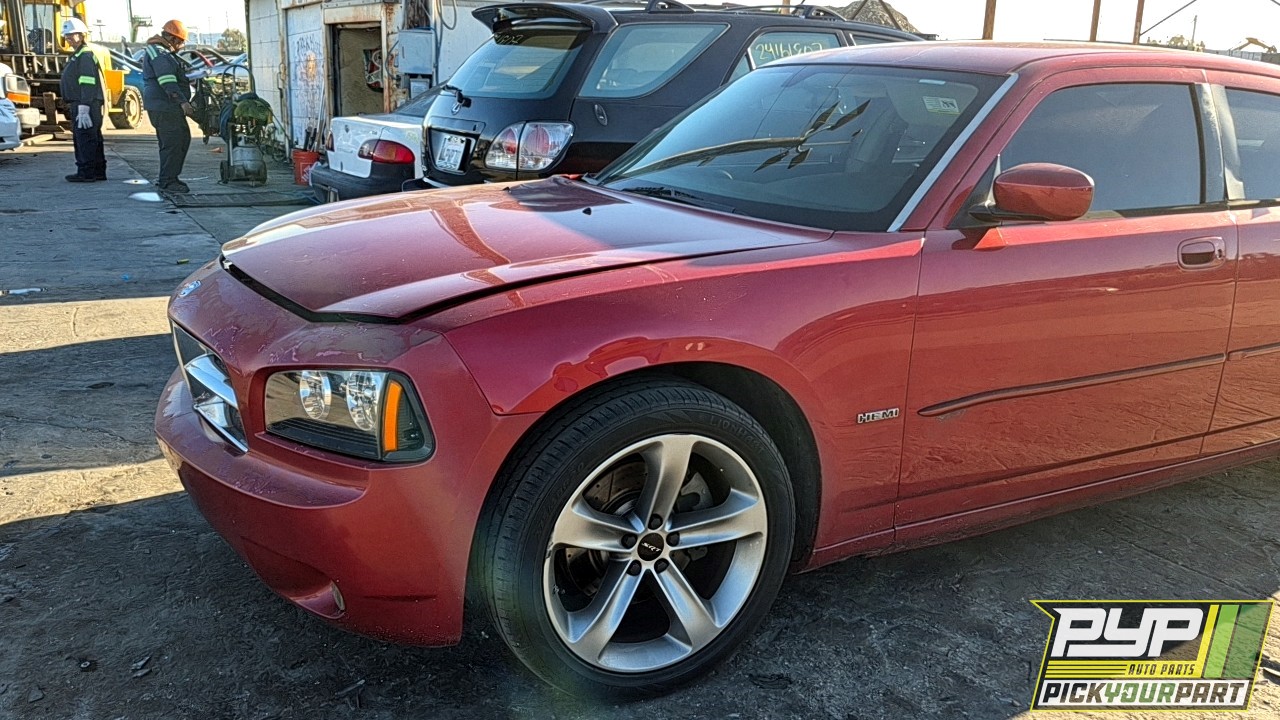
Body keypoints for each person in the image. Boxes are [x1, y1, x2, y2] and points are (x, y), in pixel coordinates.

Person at [140, 20, 194, 193]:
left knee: (178, 140)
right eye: (179, 42)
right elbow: (166, 80)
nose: (180, 46)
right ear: (171, 37)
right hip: (165, 106)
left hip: (162, 105)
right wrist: (182, 101)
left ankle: (169, 178)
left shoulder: (159, 51)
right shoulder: (161, 53)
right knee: (174, 142)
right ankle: (168, 181)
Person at [58, 18, 106, 183]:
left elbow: (87, 81)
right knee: (92, 137)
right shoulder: (79, 54)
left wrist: (84, 106)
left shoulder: (84, 55)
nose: (69, 39)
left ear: (82, 35)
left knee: (84, 137)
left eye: (72, 35)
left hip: (85, 103)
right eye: (67, 36)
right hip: (85, 102)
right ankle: (98, 171)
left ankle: (86, 172)